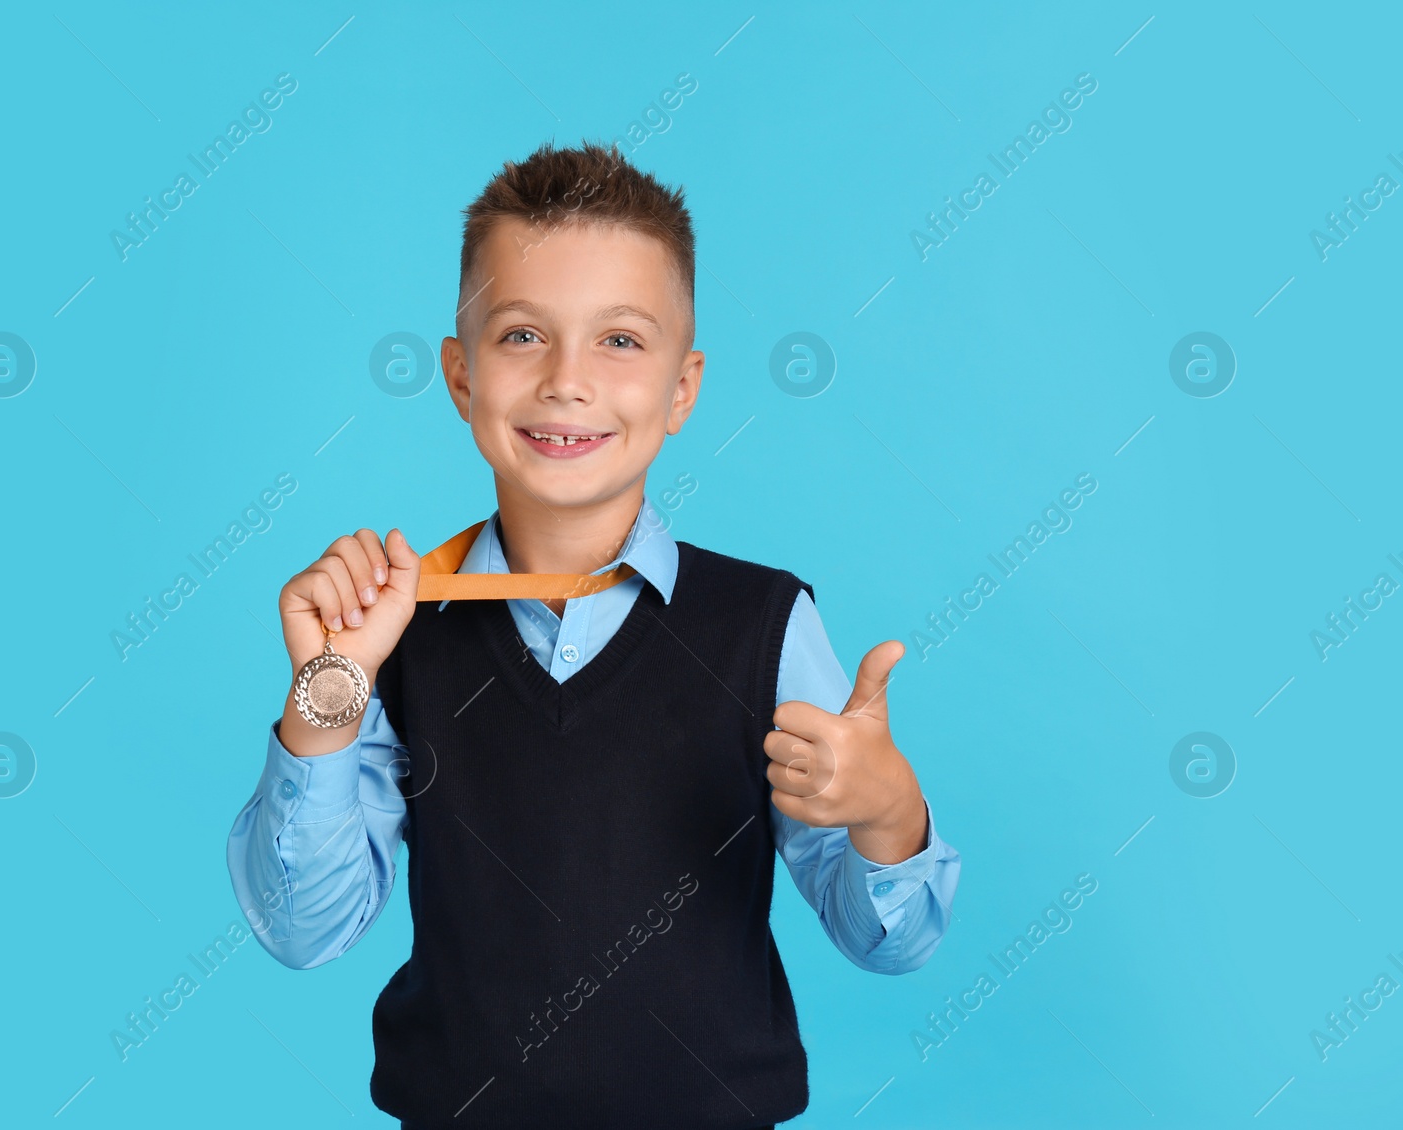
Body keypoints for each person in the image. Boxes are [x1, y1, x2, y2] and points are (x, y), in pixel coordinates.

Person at [226, 139, 960, 1129]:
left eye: (620, 340)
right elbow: (302, 931)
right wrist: (328, 692)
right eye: (522, 335)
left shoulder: (764, 623)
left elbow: (893, 940)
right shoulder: (392, 635)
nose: (567, 381)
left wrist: (885, 811)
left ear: (682, 388)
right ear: (459, 375)